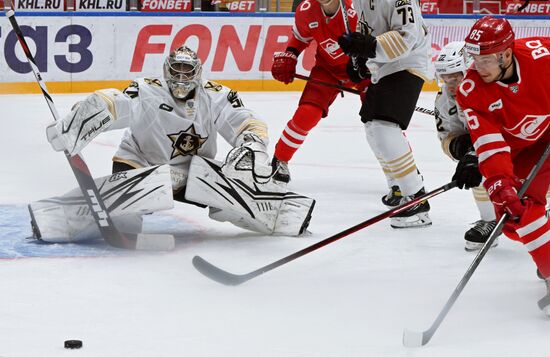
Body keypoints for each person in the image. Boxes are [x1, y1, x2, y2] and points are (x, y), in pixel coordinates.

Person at [30, 46, 315, 244]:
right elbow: (118, 103)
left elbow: (246, 121)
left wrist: (251, 146)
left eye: (186, 71)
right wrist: (90, 111)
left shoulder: (215, 95)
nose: (180, 78)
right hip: (138, 163)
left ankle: (282, 214)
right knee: (126, 221)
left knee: (228, 187)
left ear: (198, 73)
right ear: (166, 71)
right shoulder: (147, 89)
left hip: (193, 173)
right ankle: (56, 217)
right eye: (175, 71)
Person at [455, 16, 550, 315]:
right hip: (524, 150)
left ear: (506, 54)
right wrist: (500, 184)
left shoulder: (542, 56)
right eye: (474, 59)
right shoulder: (471, 91)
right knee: (514, 215)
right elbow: (489, 144)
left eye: (484, 60)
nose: (477, 67)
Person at [336, 0, 433, 228]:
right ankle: (399, 187)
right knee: (371, 127)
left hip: (408, 62)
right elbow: (368, 28)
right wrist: (361, 58)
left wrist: (369, 48)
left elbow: (407, 37)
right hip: (385, 65)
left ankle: (417, 198)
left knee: (383, 126)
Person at [270, 0, 370, 183]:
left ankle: (402, 175)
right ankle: (280, 159)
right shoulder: (306, 10)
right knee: (307, 113)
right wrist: (291, 54)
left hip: (365, 69)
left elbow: (378, 40)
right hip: (327, 69)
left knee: (381, 121)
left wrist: (368, 65)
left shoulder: (358, 8)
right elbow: (300, 38)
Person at [433, 41, 499, 251]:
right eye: (446, 77)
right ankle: (490, 220)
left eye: (455, 76)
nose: (450, 84)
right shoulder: (444, 100)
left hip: (516, 141)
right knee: (473, 166)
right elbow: (445, 136)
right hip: (485, 146)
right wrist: (459, 147)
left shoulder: (492, 87)